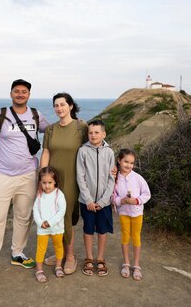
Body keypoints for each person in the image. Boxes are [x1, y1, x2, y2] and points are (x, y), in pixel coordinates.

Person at [0, 79, 50, 286]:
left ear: (29, 95)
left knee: (23, 217)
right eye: (16, 91)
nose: (20, 94)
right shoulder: (0, 115)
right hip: (3, 176)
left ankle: (17, 253)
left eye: (24, 91)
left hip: (28, 175)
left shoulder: (36, 115)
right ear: (11, 94)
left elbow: (54, 131)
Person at [39, 92, 88, 275]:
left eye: (62, 104)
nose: (59, 108)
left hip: (72, 179)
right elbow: (46, 153)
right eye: (56, 105)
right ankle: (59, 252)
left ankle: (70, 256)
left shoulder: (81, 127)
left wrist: (111, 167)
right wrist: (42, 179)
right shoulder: (51, 129)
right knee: (52, 215)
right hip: (52, 180)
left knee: (65, 216)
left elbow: (95, 145)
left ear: (71, 106)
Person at [75, 119, 116, 277]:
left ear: (103, 134)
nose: (93, 135)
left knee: (102, 230)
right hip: (87, 201)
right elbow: (80, 177)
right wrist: (88, 200)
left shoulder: (109, 152)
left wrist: (103, 201)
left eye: (97, 132)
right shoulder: (82, 151)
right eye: (90, 132)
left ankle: (100, 258)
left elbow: (112, 179)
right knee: (88, 229)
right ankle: (89, 258)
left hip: (103, 202)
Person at [112, 148, 151, 281]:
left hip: (137, 213)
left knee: (136, 238)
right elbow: (113, 197)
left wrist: (136, 200)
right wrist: (120, 201)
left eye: (131, 163)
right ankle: (126, 263)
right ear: (119, 160)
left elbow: (146, 194)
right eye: (126, 162)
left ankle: (136, 265)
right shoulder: (115, 179)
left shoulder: (138, 178)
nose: (128, 165)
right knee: (125, 238)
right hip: (124, 213)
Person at [32, 166, 66, 282]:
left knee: (58, 246)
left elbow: (61, 211)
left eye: (50, 182)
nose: (47, 185)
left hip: (56, 228)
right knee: (41, 249)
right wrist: (41, 222)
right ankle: (39, 270)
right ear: (40, 182)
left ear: (55, 181)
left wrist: (50, 222)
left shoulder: (59, 194)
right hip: (42, 228)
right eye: (44, 183)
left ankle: (58, 266)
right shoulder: (40, 195)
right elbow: (35, 210)